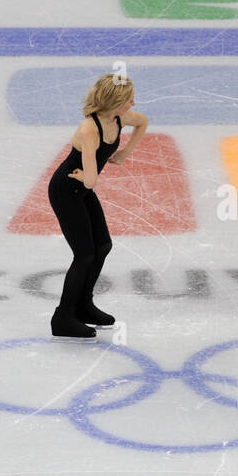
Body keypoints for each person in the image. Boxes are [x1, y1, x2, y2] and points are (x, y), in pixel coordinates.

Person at [46, 73, 148, 339]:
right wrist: (87, 178)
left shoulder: (119, 118)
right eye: (128, 100)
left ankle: (83, 305)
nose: (133, 103)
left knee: (102, 245)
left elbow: (144, 122)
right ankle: (63, 317)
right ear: (116, 102)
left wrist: (125, 153)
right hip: (66, 190)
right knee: (84, 254)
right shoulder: (89, 130)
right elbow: (91, 181)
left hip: (81, 189)